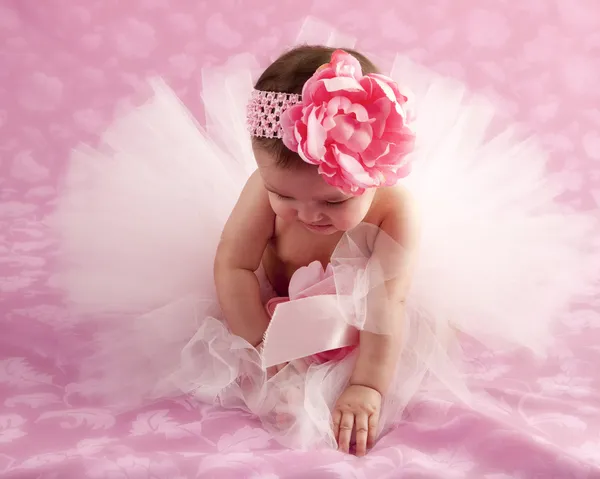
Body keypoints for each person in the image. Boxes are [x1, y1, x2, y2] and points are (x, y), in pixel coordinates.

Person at [49, 43, 599, 456]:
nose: (307, 215)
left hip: (363, 309)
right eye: (283, 195)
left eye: (333, 202)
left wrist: (366, 388)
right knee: (237, 349)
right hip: (273, 295)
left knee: (414, 332)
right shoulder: (262, 191)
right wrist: (260, 346)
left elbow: (388, 307)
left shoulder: (393, 211)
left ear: (373, 176)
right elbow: (234, 263)